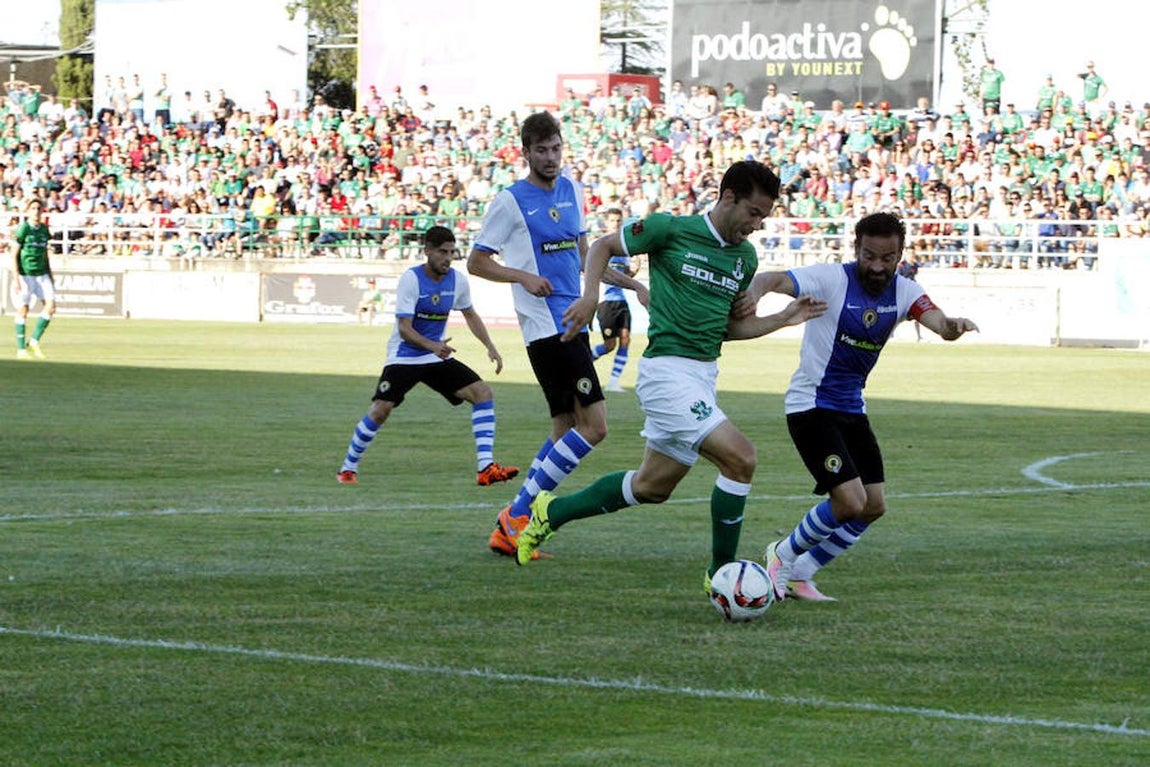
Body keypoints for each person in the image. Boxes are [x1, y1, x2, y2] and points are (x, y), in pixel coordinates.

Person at [512, 161, 827, 590]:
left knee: (650, 487)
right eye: (753, 213)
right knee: (742, 459)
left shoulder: (743, 258)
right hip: (665, 375)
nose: (756, 225)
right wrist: (589, 298)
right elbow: (602, 246)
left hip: (702, 378)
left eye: (764, 217)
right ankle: (722, 575)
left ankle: (551, 512)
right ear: (728, 196)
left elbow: (728, 330)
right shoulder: (669, 229)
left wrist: (784, 318)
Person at [733, 212, 978, 602]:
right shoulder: (832, 279)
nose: (878, 266)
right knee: (849, 501)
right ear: (856, 249)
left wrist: (953, 327)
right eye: (870, 256)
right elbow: (775, 278)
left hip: (852, 409)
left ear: (900, 254)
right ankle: (781, 555)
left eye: (887, 258)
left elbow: (938, 323)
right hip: (810, 406)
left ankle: (803, 573)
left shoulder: (906, 292)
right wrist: (756, 291)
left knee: (873, 506)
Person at [467, 111, 646, 560]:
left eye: (556, 149)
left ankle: (512, 522)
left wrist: (633, 283)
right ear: (525, 152)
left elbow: (587, 255)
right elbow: (477, 261)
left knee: (566, 427)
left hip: (574, 322)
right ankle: (521, 513)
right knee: (596, 427)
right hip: (547, 328)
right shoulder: (510, 201)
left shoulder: (572, 191)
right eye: (541, 150)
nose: (550, 158)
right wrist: (522, 277)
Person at [335, 225, 519, 486]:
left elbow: (469, 313)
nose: (448, 258)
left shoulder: (457, 280)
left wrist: (490, 346)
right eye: (442, 252)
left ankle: (486, 468)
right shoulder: (411, 279)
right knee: (380, 410)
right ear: (427, 251)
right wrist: (433, 346)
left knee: (483, 393)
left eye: (452, 252)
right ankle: (347, 468)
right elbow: (404, 329)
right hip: (405, 356)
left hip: (435, 357)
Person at [589, 208, 636, 392]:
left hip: (621, 300)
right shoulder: (600, 246)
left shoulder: (623, 250)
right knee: (610, 345)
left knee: (625, 339)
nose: (616, 224)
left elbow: (622, 277)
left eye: (618, 221)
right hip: (605, 301)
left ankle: (614, 382)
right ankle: (584, 361)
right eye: (612, 221)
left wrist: (632, 272)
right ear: (606, 223)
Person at [9, 199, 56, 359]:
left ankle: (34, 341)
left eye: (39, 208)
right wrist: (15, 278)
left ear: (42, 211)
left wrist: (50, 274)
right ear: (28, 211)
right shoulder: (23, 229)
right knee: (23, 309)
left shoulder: (44, 229)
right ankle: (21, 349)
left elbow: (45, 254)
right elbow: (13, 254)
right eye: (33, 208)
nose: (36, 211)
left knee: (51, 307)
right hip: (25, 274)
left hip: (42, 274)